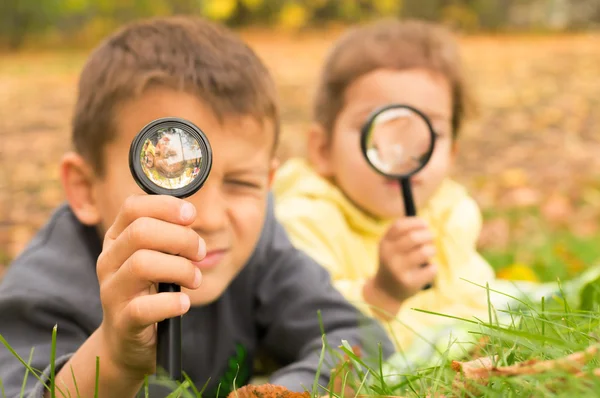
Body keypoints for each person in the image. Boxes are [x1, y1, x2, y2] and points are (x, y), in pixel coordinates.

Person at [0, 16, 394, 398]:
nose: (205, 217)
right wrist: (114, 359)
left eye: (241, 183)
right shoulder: (44, 290)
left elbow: (358, 337)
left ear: (269, 184)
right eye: (166, 179)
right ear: (85, 188)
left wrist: (275, 394)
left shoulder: (259, 246)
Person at [272, 18, 497, 352]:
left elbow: (483, 305)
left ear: (451, 153)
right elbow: (300, 328)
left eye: (427, 135)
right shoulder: (303, 222)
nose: (400, 153)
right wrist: (379, 295)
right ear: (322, 149)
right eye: (378, 130)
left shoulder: (450, 215)